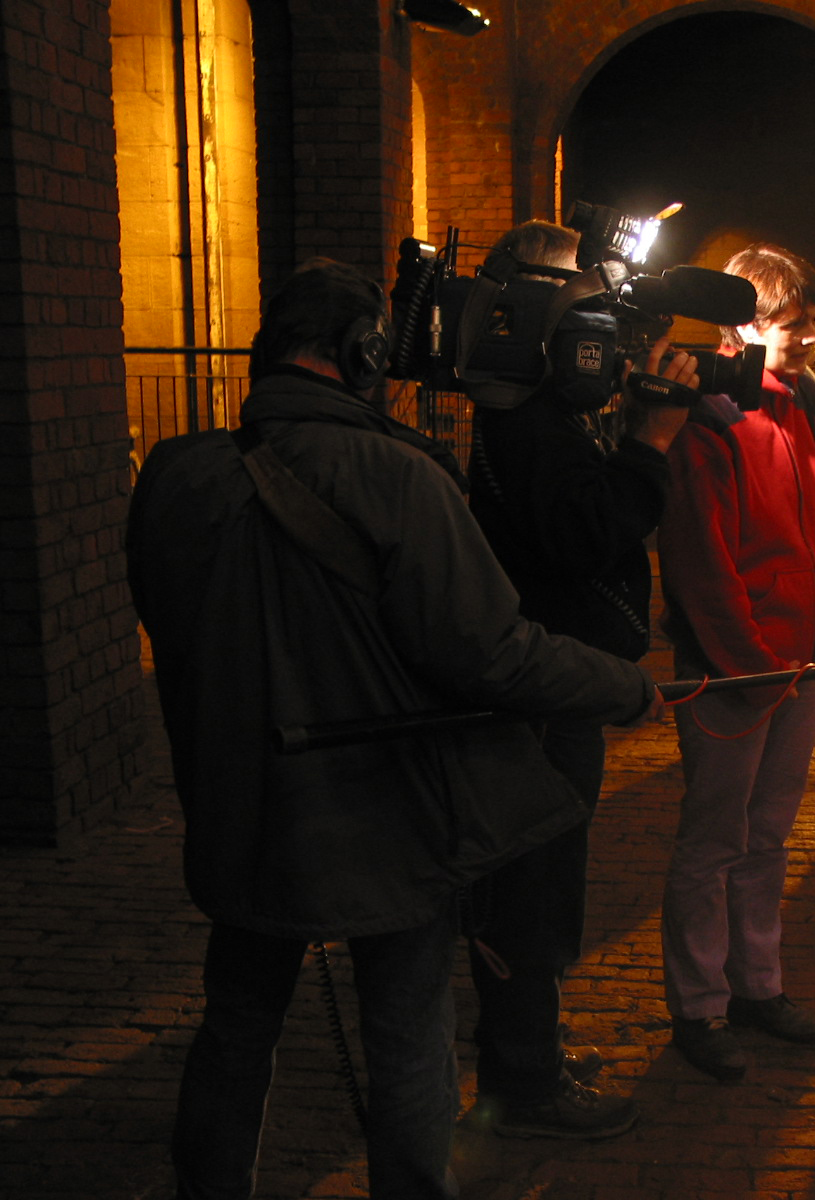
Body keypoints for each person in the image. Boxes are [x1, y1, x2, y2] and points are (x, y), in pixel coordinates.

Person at [126, 258, 659, 1198]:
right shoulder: (402, 476)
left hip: (243, 805)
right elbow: (490, 652)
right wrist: (620, 687)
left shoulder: (175, 474)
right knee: (408, 1034)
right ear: (363, 352)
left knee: (237, 1024)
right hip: (388, 815)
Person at [464, 220, 699, 1138]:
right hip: (544, 692)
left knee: (542, 885)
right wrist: (649, 444)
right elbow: (587, 536)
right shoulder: (534, 427)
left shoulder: (526, 415)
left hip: (547, 682)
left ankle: (533, 1050)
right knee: (533, 892)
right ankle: (526, 1079)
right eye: (587, 321)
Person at [656, 243, 815, 1082]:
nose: (810, 335)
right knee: (715, 837)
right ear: (747, 321)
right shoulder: (711, 412)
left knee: (766, 834)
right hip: (742, 670)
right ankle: (701, 1006)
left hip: (797, 658)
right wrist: (751, 657)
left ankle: (756, 985)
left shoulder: (809, 403)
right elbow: (701, 553)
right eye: (795, 320)